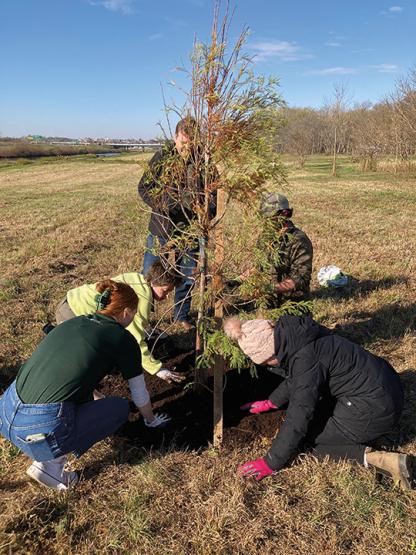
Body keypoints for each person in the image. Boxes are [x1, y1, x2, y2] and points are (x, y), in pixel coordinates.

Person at [0, 280, 170, 491]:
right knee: (119, 408)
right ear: (126, 311)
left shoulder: (74, 322)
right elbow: (139, 392)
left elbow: (73, 375)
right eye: (134, 313)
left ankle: (48, 448)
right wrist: (151, 420)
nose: (133, 318)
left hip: (6, 413)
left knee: (81, 395)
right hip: (39, 427)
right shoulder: (122, 339)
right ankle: (51, 464)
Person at [223, 315, 413, 489]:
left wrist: (271, 462)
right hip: (388, 387)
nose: (267, 366)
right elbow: (299, 377)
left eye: (264, 363)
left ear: (269, 355)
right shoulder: (300, 336)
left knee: (307, 439)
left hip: (376, 410)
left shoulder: (305, 360)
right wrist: (272, 402)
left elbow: (299, 416)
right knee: (319, 414)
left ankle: (379, 460)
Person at [138, 117, 217, 331]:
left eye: (191, 141)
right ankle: (144, 319)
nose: (186, 146)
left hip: (191, 231)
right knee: (149, 273)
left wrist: (204, 213)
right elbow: (144, 188)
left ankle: (180, 316)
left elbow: (212, 199)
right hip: (161, 228)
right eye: (183, 140)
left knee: (187, 276)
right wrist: (168, 204)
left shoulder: (205, 162)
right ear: (175, 137)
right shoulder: (162, 157)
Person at [54, 261, 184, 383]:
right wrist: (156, 369)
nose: (167, 296)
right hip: (73, 312)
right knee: (85, 360)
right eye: (166, 290)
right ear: (155, 282)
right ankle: (91, 395)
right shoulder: (142, 299)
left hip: (72, 299)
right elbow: (136, 339)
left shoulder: (138, 279)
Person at [236, 192, 313, 306]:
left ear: (284, 213)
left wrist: (268, 288)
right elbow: (259, 268)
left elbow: (299, 279)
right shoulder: (265, 237)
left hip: (292, 304)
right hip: (268, 302)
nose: (266, 222)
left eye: (270, 218)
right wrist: (237, 280)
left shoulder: (299, 240)